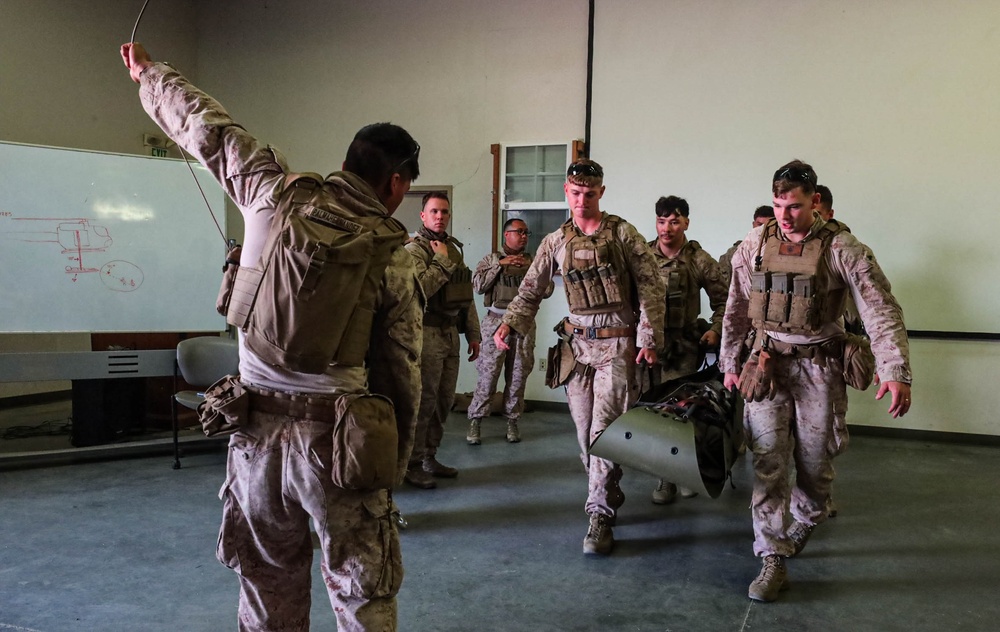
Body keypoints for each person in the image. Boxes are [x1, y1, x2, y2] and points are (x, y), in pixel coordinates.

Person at [121, 43, 423, 631]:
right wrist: (393, 463)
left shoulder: (270, 189)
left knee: (266, 582)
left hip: (252, 438)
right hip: (336, 445)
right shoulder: (391, 253)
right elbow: (401, 373)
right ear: (394, 182)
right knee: (361, 592)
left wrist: (148, 74)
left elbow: (207, 126)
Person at [720, 159, 912, 603]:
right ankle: (772, 556)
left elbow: (880, 309)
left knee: (813, 462)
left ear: (815, 202)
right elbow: (734, 305)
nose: (785, 215)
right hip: (767, 365)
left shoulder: (842, 248)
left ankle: (807, 516)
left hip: (820, 368)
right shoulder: (756, 242)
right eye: (779, 204)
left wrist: (894, 370)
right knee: (768, 460)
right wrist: (731, 361)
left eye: (795, 206)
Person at [492, 159, 665, 556]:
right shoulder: (556, 241)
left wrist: (648, 339)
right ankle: (607, 487)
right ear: (566, 193)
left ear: (600, 193)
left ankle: (599, 515)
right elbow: (531, 288)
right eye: (575, 193)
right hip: (577, 349)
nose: (582, 200)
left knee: (602, 430)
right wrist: (510, 324)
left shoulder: (623, 234)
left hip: (617, 347)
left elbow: (651, 286)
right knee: (585, 435)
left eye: (590, 193)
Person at [645, 195, 729, 505]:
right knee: (648, 412)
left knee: (678, 413)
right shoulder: (643, 256)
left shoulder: (698, 259)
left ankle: (677, 474)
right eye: (662, 221)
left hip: (682, 348)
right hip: (648, 346)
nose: (667, 228)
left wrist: (715, 329)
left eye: (675, 221)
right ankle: (663, 475)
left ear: (686, 223)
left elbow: (724, 302)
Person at [404, 192, 481, 488]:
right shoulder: (414, 251)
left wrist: (473, 334)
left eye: (445, 211)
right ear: (423, 215)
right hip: (426, 333)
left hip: (450, 335)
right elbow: (419, 290)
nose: (440, 216)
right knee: (424, 401)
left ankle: (429, 457)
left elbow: (466, 296)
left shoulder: (452, 249)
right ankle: (411, 463)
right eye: (434, 211)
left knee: (444, 400)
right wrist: (441, 261)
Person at [466, 218, 550, 445]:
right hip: (495, 321)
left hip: (523, 324)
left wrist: (533, 271)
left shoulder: (533, 261)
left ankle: (512, 421)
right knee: (488, 375)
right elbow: (478, 285)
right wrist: (500, 265)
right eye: (519, 232)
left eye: (526, 233)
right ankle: (476, 420)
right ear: (507, 234)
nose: (524, 236)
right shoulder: (491, 259)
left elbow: (548, 290)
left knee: (518, 376)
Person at [718, 205, 774, 287]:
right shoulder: (735, 253)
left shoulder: (780, 253)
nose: (762, 229)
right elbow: (724, 288)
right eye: (759, 224)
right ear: (753, 224)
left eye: (767, 226)